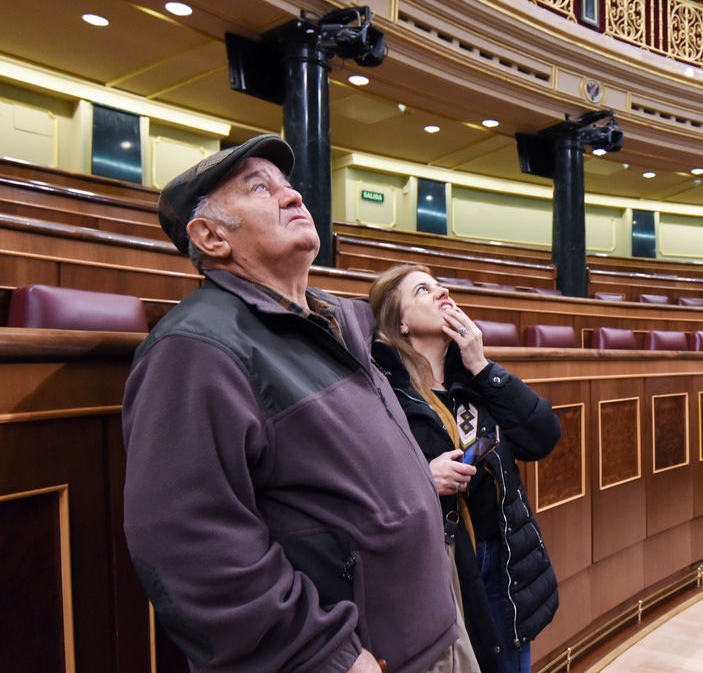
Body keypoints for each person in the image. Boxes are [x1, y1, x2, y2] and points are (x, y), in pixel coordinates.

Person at [121, 136, 467, 673]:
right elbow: (191, 545)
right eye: (260, 189)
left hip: (430, 634)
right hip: (357, 659)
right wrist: (324, 655)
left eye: (289, 186)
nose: (293, 197)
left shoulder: (337, 323)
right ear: (211, 237)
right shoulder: (195, 349)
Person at [370, 264, 560, 673]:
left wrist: (483, 366)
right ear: (399, 321)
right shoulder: (380, 389)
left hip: (502, 560)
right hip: (440, 567)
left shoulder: (475, 378)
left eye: (441, 285)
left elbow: (542, 438)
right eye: (423, 290)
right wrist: (422, 478)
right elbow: (359, 481)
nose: (442, 292)